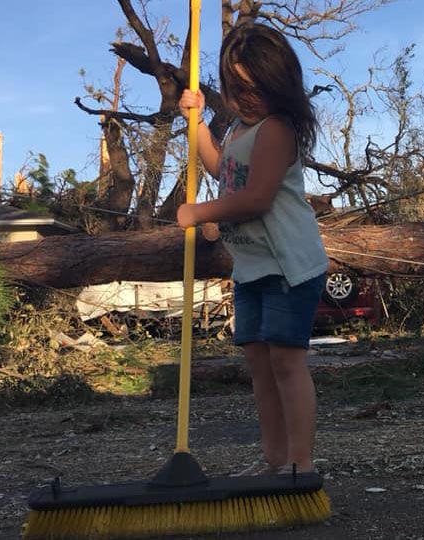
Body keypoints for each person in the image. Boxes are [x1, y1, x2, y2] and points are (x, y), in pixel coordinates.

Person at [177, 23, 327, 475]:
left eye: (255, 88)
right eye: (236, 87)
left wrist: (198, 213)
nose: (245, 98)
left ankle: (300, 464)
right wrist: (197, 122)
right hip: (251, 268)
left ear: (279, 84)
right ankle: (273, 460)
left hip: (289, 265)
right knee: (260, 368)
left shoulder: (277, 130)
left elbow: (256, 198)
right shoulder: (241, 129)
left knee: (285, 361)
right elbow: (222, 169)